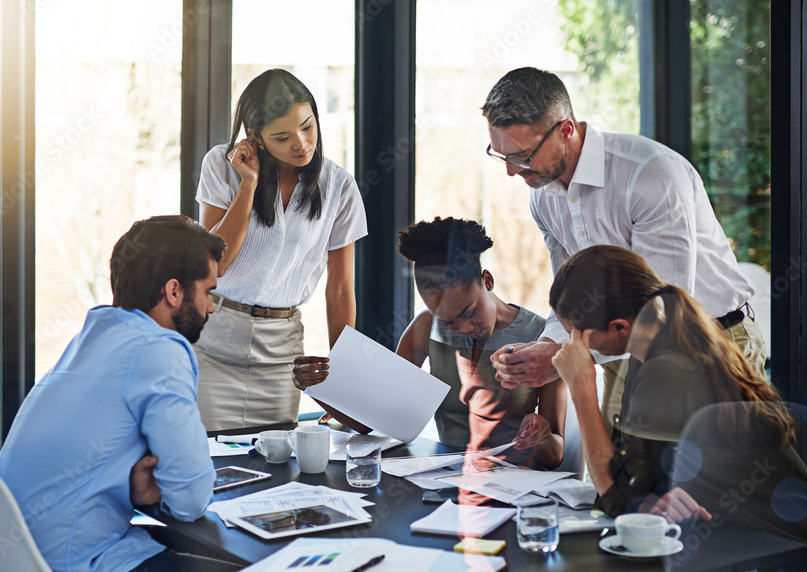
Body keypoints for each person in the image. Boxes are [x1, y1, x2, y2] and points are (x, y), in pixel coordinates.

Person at [0, 216, 316, 572]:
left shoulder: (95, 334)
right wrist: (157, 491)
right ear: (173, 291)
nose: (212, 308)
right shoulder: (161, 349)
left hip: (18, 568)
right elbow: (189, 500)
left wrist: (141, 492)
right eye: (208, 291)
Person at [480, 66, 764, 428]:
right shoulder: (544, 196)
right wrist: (548, 345)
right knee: (615, 478)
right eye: (501, 155)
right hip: (619, 353)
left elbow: (664, 309)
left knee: (711, 481)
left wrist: (560, 358)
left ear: (566, 129)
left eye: (522, 156)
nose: (511, 172)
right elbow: (571, 301)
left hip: (709, 343)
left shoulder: (649, 174)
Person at [294, 217, 565, 469]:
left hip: (516, 485)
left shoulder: (543, 338)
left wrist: (541, 435)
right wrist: (318, 388)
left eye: (469, 313)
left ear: (487, 280)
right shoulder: (425, 328)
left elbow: (554, 456)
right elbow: (375, 420)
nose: (464, 329)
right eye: (447, 322)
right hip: (442, 477)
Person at [548, 245, 793, 519]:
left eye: (575, 335)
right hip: (724, 527)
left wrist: (582, 388)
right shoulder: (651, 353)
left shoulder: (667, 370)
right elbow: (629, 481)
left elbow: (619, 500)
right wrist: (637, 497)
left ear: (619, 327)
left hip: (756, 538)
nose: (571, 345)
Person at [194, 68, 367, 431]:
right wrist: (248, 184)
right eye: (283, 136)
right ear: (255, 137)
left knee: (276, 468)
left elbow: (340, 290)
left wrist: (343, 383)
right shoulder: (221, 167)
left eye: (307, 126)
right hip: (213, 345)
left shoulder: (339, 187)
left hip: (282, 350)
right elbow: (216, 263)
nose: (301, 144)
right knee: (212, 465)